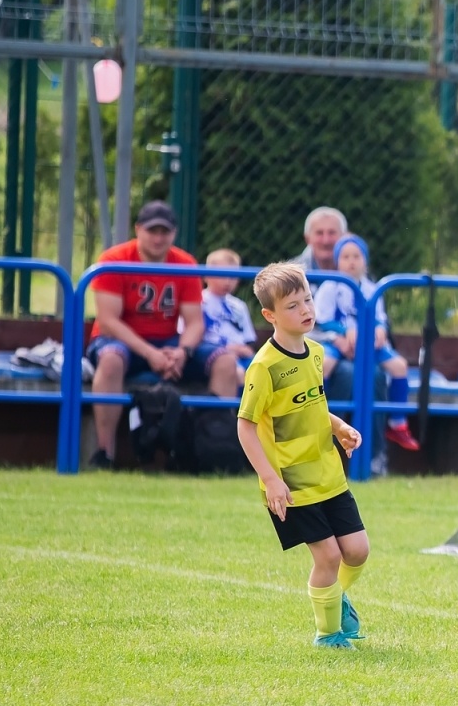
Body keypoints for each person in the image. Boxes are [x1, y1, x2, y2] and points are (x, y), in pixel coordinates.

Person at [235, 262, 371, 650]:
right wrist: (271, 479)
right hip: (291, 482)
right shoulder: (264, 367)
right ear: (270, 315)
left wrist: (339, 427)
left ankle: (335, 599)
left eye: (308, 299)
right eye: (292, 306)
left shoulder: (315, 352)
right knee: (327, 557)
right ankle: (328, 634)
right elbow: (245, 426)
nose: (306, 310)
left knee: (357, 551)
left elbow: (311, 405)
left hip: (327, 473)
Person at [86, 201, 238, 468]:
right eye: (152, 230)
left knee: (225, 362)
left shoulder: (185, 263)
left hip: (167, 342)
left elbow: (194, 322)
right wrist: (151, 354)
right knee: (110, 360)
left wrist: (183, 351)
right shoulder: (113, 260)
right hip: (121, 341)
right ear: (138, 229)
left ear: (174, 233)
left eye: (164, 232)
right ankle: (104, 453)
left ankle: (214, 448)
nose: (158, 238)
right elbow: (108, 321)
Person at [314, 235, 420, 452]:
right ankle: (317, 417)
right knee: (324, 366)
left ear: (365, 261)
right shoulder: (330, 286)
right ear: (337, 261)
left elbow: (379, 317)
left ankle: (397, 423)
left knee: (399, 367)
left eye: (356, 256)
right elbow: (322, 319)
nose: (351, 261)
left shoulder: (373, 288)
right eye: (345, 257)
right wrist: (344, 333)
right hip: (339, 343)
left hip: (368, 345)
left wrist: (380, 330)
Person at [199, 248, 256, 364]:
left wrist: (246, 350)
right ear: (206, 275)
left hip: (241, 357)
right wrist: (227, 349)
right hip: (212, 356)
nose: (227, 282)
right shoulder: (199, 302)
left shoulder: (239, 306)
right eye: (222, 275)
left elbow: (249, 340)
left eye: (233, 276)